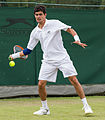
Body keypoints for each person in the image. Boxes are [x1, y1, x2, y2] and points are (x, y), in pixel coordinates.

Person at [9, 5, 93, 115]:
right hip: (48, 61)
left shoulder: (54, 23)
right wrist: (14, 56)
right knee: (41, 84)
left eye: (40, 14)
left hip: (62, 58)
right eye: (36, 15)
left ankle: (86, 106)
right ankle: (45, 109)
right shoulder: (35, 32)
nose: (38, 17)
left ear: (45, 15)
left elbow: (70, 29)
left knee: (73, 79)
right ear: (34, 16)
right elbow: (28, 50)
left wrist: (77, 39)